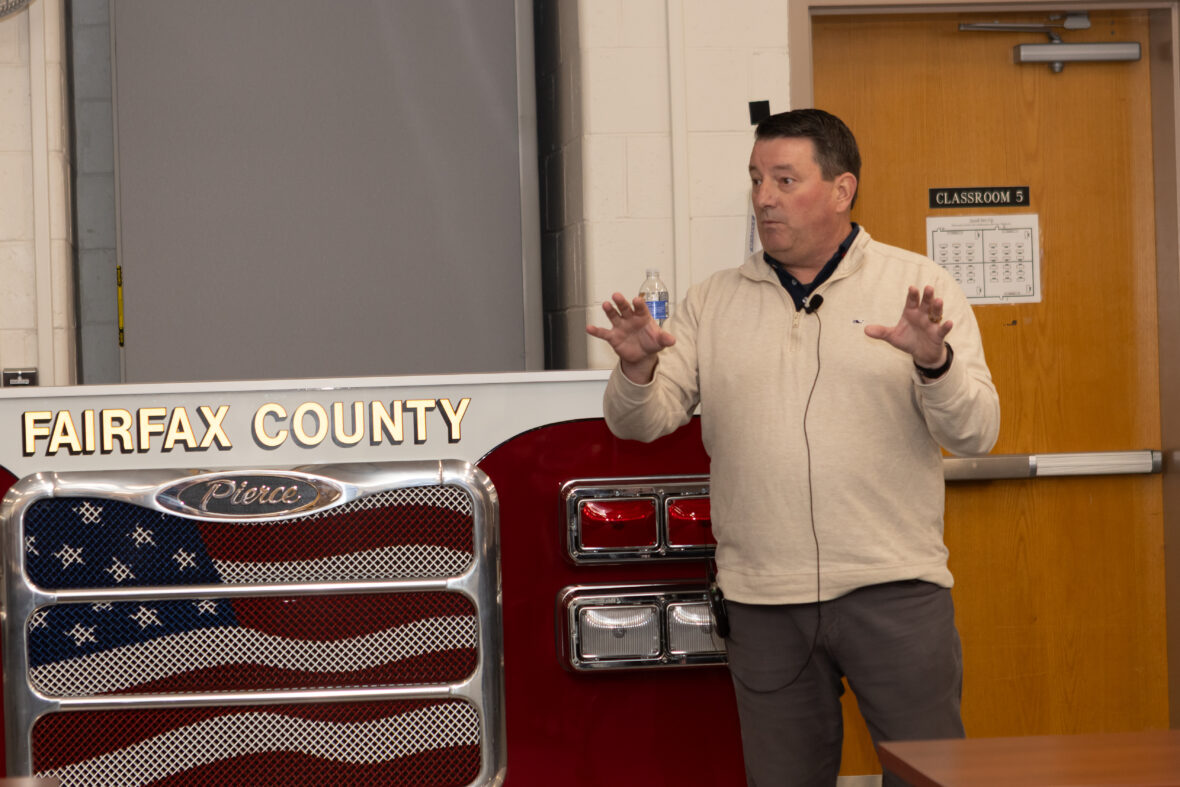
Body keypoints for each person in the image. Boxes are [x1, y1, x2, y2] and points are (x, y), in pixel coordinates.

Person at [586, 108, 1000, 786]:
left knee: (933, 776)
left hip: (892, 591)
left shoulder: (915, 287)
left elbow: (977, 430)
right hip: (763, 601)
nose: (764, 198)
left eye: (784, 179)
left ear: (843, 189)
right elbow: (641, 422)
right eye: (756, 179)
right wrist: (636, 370)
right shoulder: (713, 301)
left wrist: (936, 363)